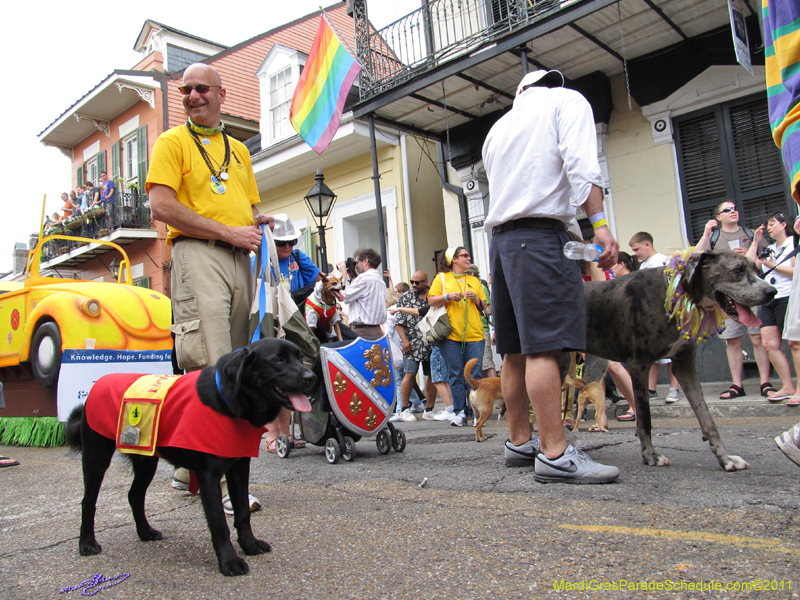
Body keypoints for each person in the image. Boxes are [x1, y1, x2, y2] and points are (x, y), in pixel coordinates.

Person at [482, 69, 620, 483]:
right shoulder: (566, 101)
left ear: (520, 92)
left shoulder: (498, 128)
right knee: (544, 347)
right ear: (550, 85)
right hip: (540, 236)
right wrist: (599, 223)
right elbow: (581, 164)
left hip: (502, 242)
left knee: (514, 351)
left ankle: (520, 442)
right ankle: (556, 453)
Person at [147, 63, 272, 512]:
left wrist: (256, 222)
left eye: (202, 88)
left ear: (222, 95)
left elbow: (245, 204)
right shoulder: (172, 142)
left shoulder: (238, 149)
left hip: (240, 257)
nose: (193, 95)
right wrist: (228, 231)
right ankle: (215, 480)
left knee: (236, 362)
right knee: (213, 360)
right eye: (186, 90)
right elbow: (161, 205)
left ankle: (188, 467)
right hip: (199, 253)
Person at [695, 200, 774, 399]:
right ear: (718, 217)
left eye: (734, 208)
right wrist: (705, 233)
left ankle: (765, 382)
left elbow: (763, 262)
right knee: (732, 340)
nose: (733, 211)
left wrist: (749, 258)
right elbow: (696, 257)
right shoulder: (714, 237)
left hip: (752, 291)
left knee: (757, 337)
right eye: (727, 209)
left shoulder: (749, 234)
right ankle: (737, 385)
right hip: (728, 296)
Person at [427, 247, 487, 428]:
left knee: (474, 375)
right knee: (455, 375)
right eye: (464, 255)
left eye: (469, 255)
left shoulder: (474, 280)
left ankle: (476, 412)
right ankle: (460, 412)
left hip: (475, 334)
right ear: (454, 259)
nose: (468, 258)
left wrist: (476, 298)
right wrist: (447, 296)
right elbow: (431, 300)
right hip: (451, 335)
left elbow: (486, 307)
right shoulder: (442, 278)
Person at [746, 213, 796, 402]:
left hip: (788, 296)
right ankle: (787, 386)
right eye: (766, 225)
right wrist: (756, 242)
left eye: (772, 224)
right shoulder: (770, 248)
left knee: (794, 344)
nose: (768, 228)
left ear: (784, 225)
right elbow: (750, 266)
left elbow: (795, 272)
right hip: (768, 300)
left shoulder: (793, 243)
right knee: (768, 344)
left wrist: (774, 266)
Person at [629, 231, 682, 403]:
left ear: (647, 244)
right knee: (653, 354)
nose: (635, 254)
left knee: (672, 353)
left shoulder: (664, 261)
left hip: (666, 313)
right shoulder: (643, 266)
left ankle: (674, 388)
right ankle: (651, 389)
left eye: (637, 249)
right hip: (649, 316)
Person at [393, 270, 437, 421]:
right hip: (412, 342)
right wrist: (404, 340)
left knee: (432, 375)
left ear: (425, 282)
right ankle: (405, 409)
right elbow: (398, 321)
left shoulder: (433, 295)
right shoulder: (406, 297)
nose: (414, 285)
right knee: (410, 374)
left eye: (417, 282)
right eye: (412, 282)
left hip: (431, 341)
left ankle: (429, 409)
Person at [337, 248, 386, 340]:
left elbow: (342, 296)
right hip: (377, 330)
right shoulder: (380, 280)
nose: (356, 266)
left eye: (356, 263)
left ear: (365, 261)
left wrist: (343, 276)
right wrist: (352, 278)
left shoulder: (364, 278)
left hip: (363, 331)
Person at [272, 213, 320, 294]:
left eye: (291, 242)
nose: (287, 246)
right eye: (281, 243)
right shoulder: (257, 262)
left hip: (296, 304)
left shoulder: (298, 256)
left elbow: (316, 278)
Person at [465, 265, 497, 379]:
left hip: (482, 329)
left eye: (466, 274)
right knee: (481, 365)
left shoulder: (480, 287)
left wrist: (475, 301)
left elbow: (488, 310)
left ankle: (496, 389)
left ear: (472, 274)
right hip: (473, 330)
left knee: (487, 363)